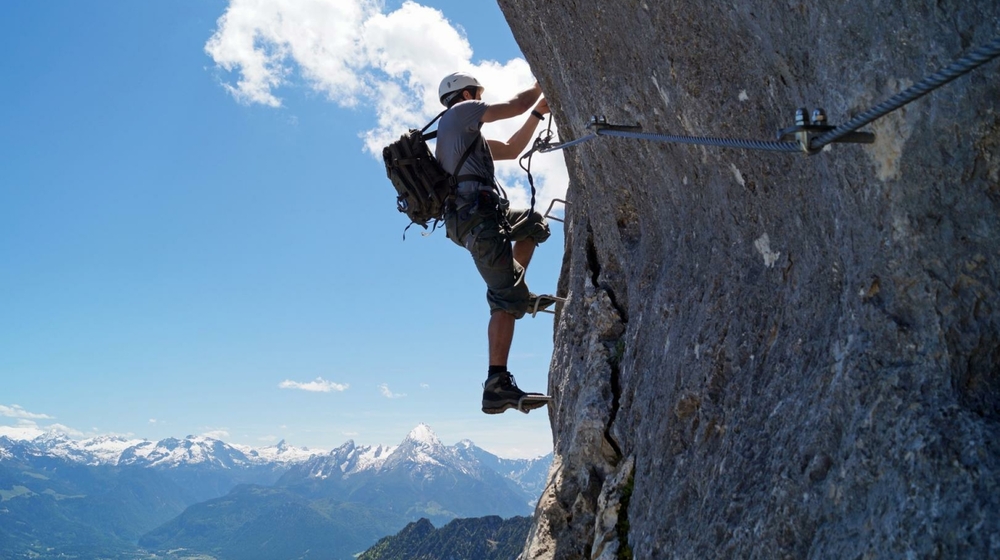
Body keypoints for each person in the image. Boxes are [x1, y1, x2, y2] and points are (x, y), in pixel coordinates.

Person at [434, 71, 555, 415]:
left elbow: (515, 148)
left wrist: (537, 114)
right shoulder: (459, 114)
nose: (478, 99)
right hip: (478, 222)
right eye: (476, 95)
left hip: (484, 217)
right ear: (467, 94)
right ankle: (495, 384)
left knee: (532, 224)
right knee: (503, 298)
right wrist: (537, 85)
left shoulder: (468, 139)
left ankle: (517, 289)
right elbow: (515, 105)